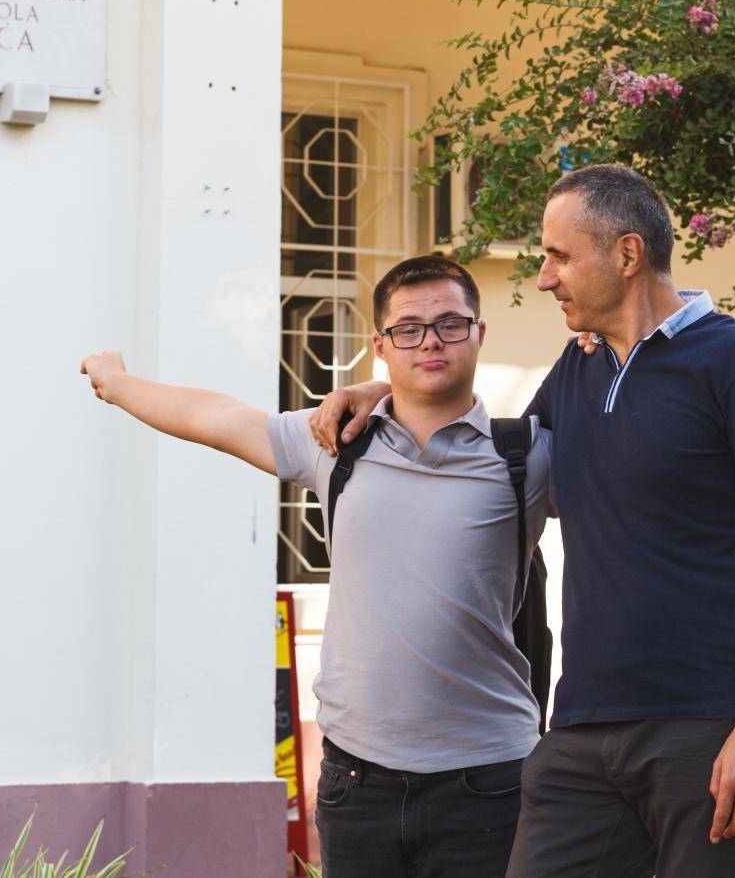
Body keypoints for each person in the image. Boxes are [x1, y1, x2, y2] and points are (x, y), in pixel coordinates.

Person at [312, 165, 735, 877]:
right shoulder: (578, 369)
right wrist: (387, 386)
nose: (546, 277)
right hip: (583, 727)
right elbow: (491, 464)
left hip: (708, 724)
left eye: (558, 255)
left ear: (626, 254)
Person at [81, 255, 554, 877]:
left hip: (489, 779)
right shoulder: (336, 445)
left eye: (450, 324)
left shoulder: (527, 454)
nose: (431, 340)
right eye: (408, 328)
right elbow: (215, 417)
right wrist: (116, 384)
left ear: (479, 332)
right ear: (380, 345)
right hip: (357, 782)